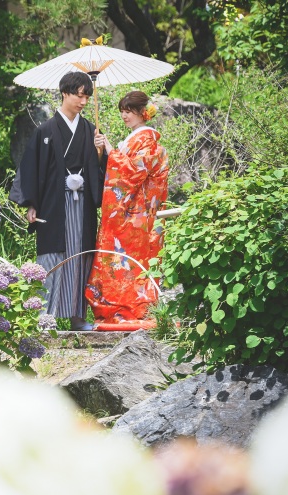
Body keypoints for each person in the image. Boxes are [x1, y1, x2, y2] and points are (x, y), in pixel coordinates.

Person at [9, 71, 106, 331]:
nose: (84, 101)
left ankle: (77, 317)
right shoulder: (46, 130)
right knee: (53, 256)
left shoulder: (89, 129)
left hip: (83, 202)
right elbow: (31, 169)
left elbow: (100, 169)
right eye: (79, 95)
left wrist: (100, 152)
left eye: (87, 96)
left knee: (81, 256)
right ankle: (45, 317)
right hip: (54, 202)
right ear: (65, 93)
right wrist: (32, 203)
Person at [87, 90, 169, 324]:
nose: (125, 116)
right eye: (122, 111)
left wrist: (111, 151)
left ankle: (129, 308)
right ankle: (121, 307)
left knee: (129, 260)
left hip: (134, 215)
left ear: (143, 113)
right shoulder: (136, 138)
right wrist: (105, 151)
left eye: (129, 111)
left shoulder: (145, 139)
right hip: (135, 213)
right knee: (125, 261)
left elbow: (133, 171)